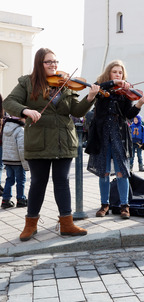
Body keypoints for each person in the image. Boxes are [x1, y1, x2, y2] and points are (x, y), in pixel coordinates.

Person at [3, 48, 96, 241]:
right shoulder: (27, 83)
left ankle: (67, 223)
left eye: (55, 62)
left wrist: (90, 98)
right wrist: (26, 110)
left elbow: (76, 111)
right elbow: (9, 102)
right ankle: (30, 224)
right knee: (38, 183)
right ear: (39, 63)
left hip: (64, 140)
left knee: (62, 182)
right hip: (38, 141)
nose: (54, 65)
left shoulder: (66, 84)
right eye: (48, 62)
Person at [85, 59, 144, 219]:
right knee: (104, 172)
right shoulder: (100, 86)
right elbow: (95, 89)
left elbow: (128, 114)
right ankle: (104, 204)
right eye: (115, 72)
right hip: (102, 134)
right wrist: (112, 82)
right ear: (109, 73)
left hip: (119, 134)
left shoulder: (125, 92)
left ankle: (124, 205)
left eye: (120, 72)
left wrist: (139, 104)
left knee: (122, 172)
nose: (118, 74)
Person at [1, 117, 28, 209]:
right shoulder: (20, 130)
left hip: (8, 159)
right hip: (17, 160)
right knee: (20, 181)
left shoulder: (5, 128)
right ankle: (21, 199)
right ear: (21, 119)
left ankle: (5, 200)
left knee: (9, 179)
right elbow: (21, 148)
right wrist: (25, 162)